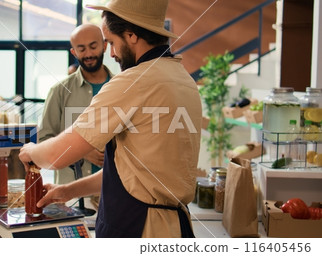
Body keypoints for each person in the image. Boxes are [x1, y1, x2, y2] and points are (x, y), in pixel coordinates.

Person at [20, 0, 202, 238]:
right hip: (176, 227)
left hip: (140, 227)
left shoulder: (133, 82)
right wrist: (69, 190)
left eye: (113, 42)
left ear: (131, 35)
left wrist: (31, 151)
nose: (112, 53)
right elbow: (134, 173)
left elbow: (57, 156)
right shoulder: (183, 79)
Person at [39, 24, 113, 185]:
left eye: (93, 47)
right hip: (69, 194)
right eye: (81, 49)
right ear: (74, 52)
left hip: (114, 190)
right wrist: (81, 151)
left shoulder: (122, 88)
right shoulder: (59, 91)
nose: (88, 54)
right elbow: (43, 141)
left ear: (105, 46)